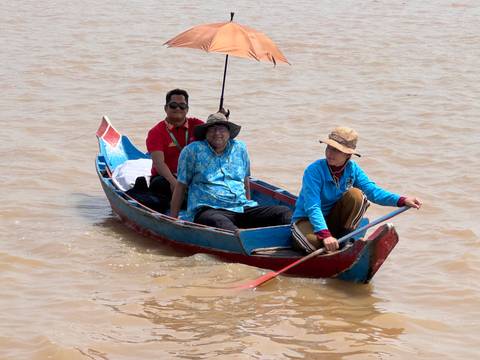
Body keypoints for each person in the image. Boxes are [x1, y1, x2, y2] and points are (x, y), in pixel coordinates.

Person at [292, 126, 422, 253]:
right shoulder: (314, 170)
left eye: (336, 150)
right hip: (307, 219)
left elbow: (373, 192)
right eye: (328, 148)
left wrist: (402, 200)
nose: (329, 153)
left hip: (333, 220)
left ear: (348, 154)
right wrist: (325, 235)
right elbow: (312, 206)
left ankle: (343, 240)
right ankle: (333, 244)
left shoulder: (352, 169)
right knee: (313, 244)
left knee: (357, 196)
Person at [170, 112, 292, 231]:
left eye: (222, 129)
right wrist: (173, 219)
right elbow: (181, 185)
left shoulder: (240, 148)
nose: (217, 133)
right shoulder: (192, 151)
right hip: (210, 210)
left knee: (283, 212)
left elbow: (245, 181)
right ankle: (242, 237)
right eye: (212, 129)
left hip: (241, 207)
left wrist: (247, 203)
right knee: (217, 221)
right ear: (206, 133)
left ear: (229, 133)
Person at [146, 89, 204, 208]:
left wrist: (222, 118)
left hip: (191, 177)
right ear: (166, 108)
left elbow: (217, 134)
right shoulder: (156, 132)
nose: (178, 109)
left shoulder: (197, 125)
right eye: (173, 105)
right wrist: (175, 183)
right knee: (160, 185)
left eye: (182, 106)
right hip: (166, 178)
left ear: (187, 109)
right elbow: (159, 163)